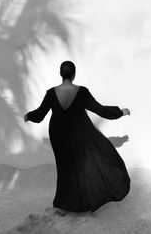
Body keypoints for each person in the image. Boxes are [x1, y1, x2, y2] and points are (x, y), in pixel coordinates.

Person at [24, 61, 131, 216]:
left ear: (61, 74)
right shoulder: (82, 92)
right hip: (79, 132)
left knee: (64, 167)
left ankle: (63, 202)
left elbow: (40, 114)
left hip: (57, 133)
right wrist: (120, 112)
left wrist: (28, 116)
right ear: (74, 74)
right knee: (83, 165)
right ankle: (84, 200)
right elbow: (99, 109)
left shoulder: (51, 93)